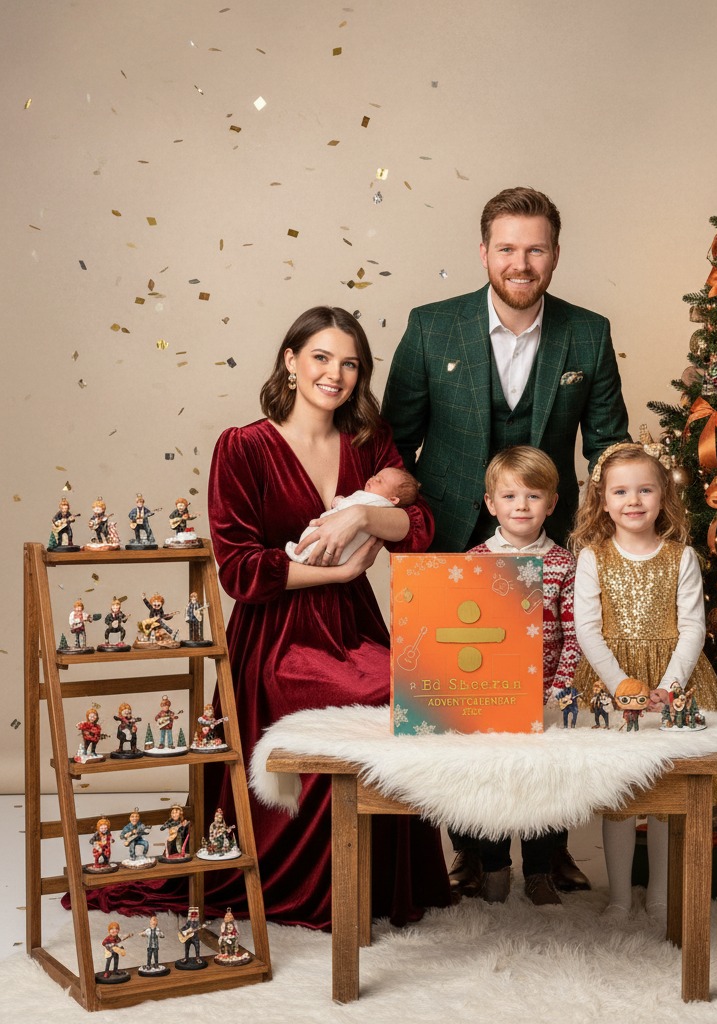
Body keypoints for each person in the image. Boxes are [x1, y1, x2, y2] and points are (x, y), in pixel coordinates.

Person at [201, 305, 448, 927]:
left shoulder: (371, 445)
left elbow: (417, 529)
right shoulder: (242, 446)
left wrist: (363, 515)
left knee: (420, 692)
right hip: (275, 637)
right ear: (290, 361)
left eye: (350, 364)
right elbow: (239, 569)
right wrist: (335, 572)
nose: (334, 375)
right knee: (375, 693)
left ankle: (377, 875)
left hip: (354, 625)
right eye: (321, 358)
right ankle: (322, 880)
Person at [381, 185, 629, 553]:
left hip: (552, 538)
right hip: (442, 533)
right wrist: (406, 521)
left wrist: (622, 529)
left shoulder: (589, 333)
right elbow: (393, 444)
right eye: (506, 249)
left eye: (536, 250)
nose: (521, 265)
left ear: (555, 255)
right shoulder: (429, 327)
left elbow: (608, 448)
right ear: (484, 253)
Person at [568, 443, 717, 922]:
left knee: (666, 789)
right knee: (620, 793)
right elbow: (587, 630)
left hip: (672, 680)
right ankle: (620, 897)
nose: (633, 500)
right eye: (621, 491)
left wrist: (669, 685)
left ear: (664, 497)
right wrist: (620, 683)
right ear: (602, 500)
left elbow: (693, 627)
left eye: (645, 489)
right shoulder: (592, 557)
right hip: (608, 684)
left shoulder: (680, 557)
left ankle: (660, 894)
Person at [458, 446, 588, 906]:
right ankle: (494, 868)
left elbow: (575, 637)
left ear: (551, 504)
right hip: (489, 698)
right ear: (491, 503)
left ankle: (539, 872)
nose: (521, 506)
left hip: (543, 699)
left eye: (533, 496)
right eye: (509, 496)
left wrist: (556, 693)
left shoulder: (563, 564)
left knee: (543, 785)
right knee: (493, 782)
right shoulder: (472, 562)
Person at [285, 466, 421, 565]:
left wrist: (339, 501)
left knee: (315, 540)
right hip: (343, 558)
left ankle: (302, 554)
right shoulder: (382, 510)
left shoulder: (375, 502)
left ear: (393, 500)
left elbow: (350, 507)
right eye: (375, 475)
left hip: (334, 544)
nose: (373, 479)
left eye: (380, 481)